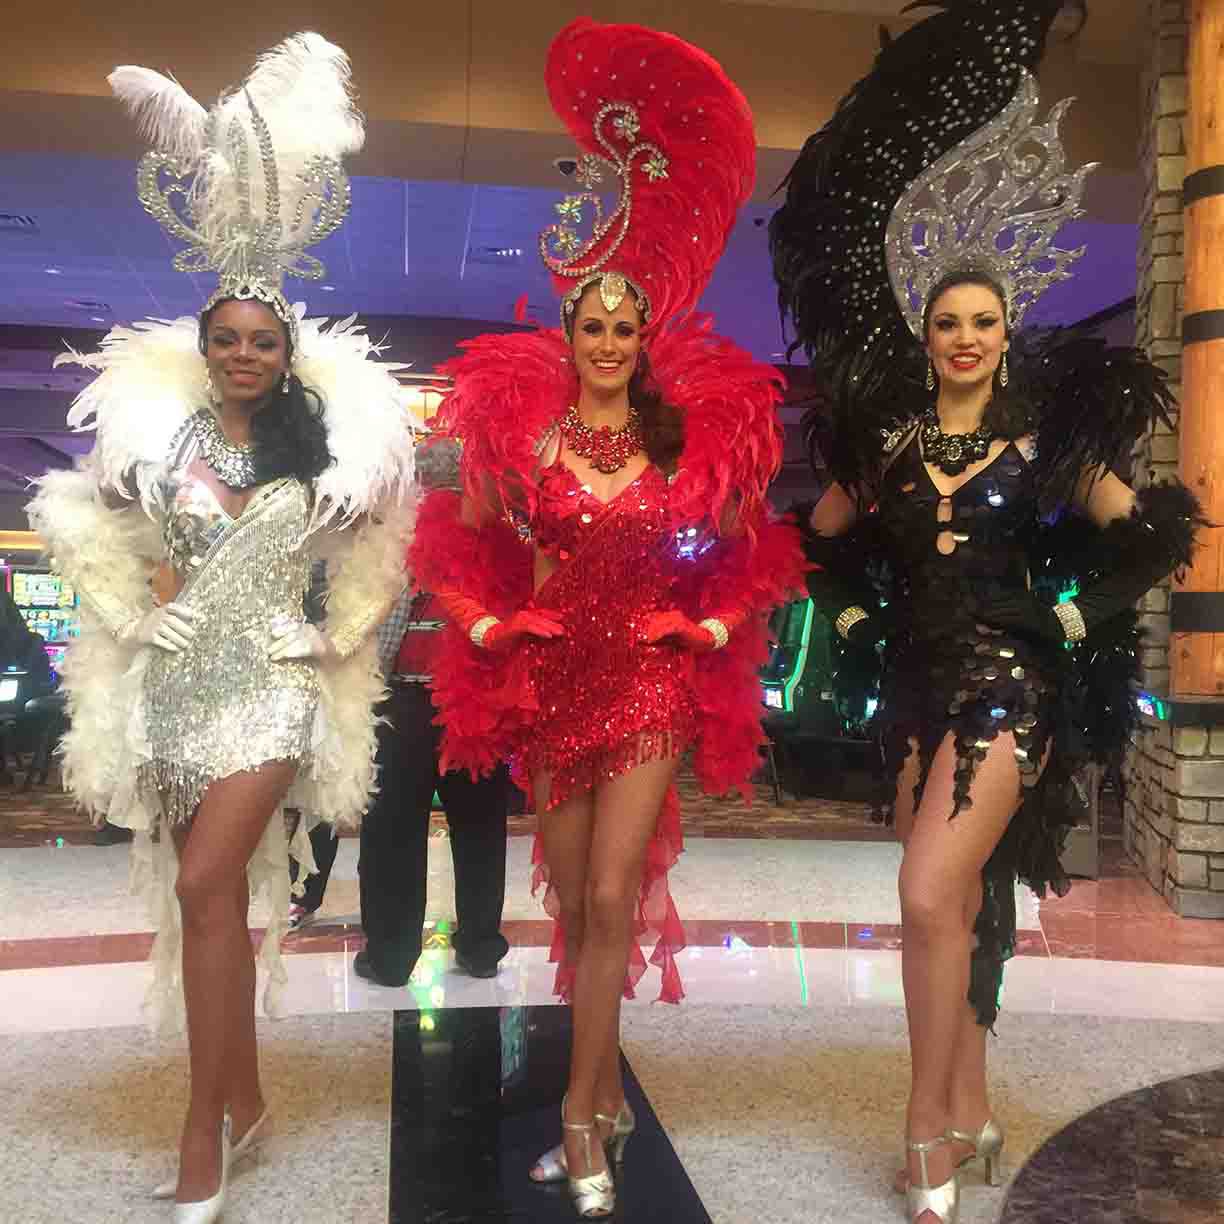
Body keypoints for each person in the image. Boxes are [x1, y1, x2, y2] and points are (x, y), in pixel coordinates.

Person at [769, 4, 1203, 1222]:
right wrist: (850, 625)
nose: (964, 338)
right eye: (948, 323)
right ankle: (967, 1105)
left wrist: (1069, 621)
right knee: (952, 906)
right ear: (927, 336)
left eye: (984, 323)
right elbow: (814, 547)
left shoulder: (1044, 444)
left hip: (1014, 693)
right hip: (913, 690)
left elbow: (1153, 533)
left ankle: (924, 1133)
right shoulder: (890, 447)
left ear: (1008, 337)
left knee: (922, 896)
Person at [411, 19, 806, 1219]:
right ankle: (596, 1096)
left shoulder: (685, 450)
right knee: (574, 905)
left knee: (611, 896)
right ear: (570, 334)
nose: (607, 343)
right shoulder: (524, 448)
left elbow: (754, 567)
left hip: (644, 688)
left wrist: (705, 633)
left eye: (625, 330)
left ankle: (586, 1115)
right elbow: (454, 556)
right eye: (592, 326)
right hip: (551, 687)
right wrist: (491, 632)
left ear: (644, 344)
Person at [29, 35, 414, 1224]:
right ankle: (242, 1100)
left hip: (274, 695)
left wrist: (337, 642)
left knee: (206, 880)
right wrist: (132, 616)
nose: (245, 354)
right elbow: (70, 522)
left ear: (288, 354)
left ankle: (203, 1131)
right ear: (206, 349)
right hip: (180, 690)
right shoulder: (162, 446)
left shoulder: (327, 454)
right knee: (208, 904)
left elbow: (391, 560)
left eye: (264, 340)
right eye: (229, 339)